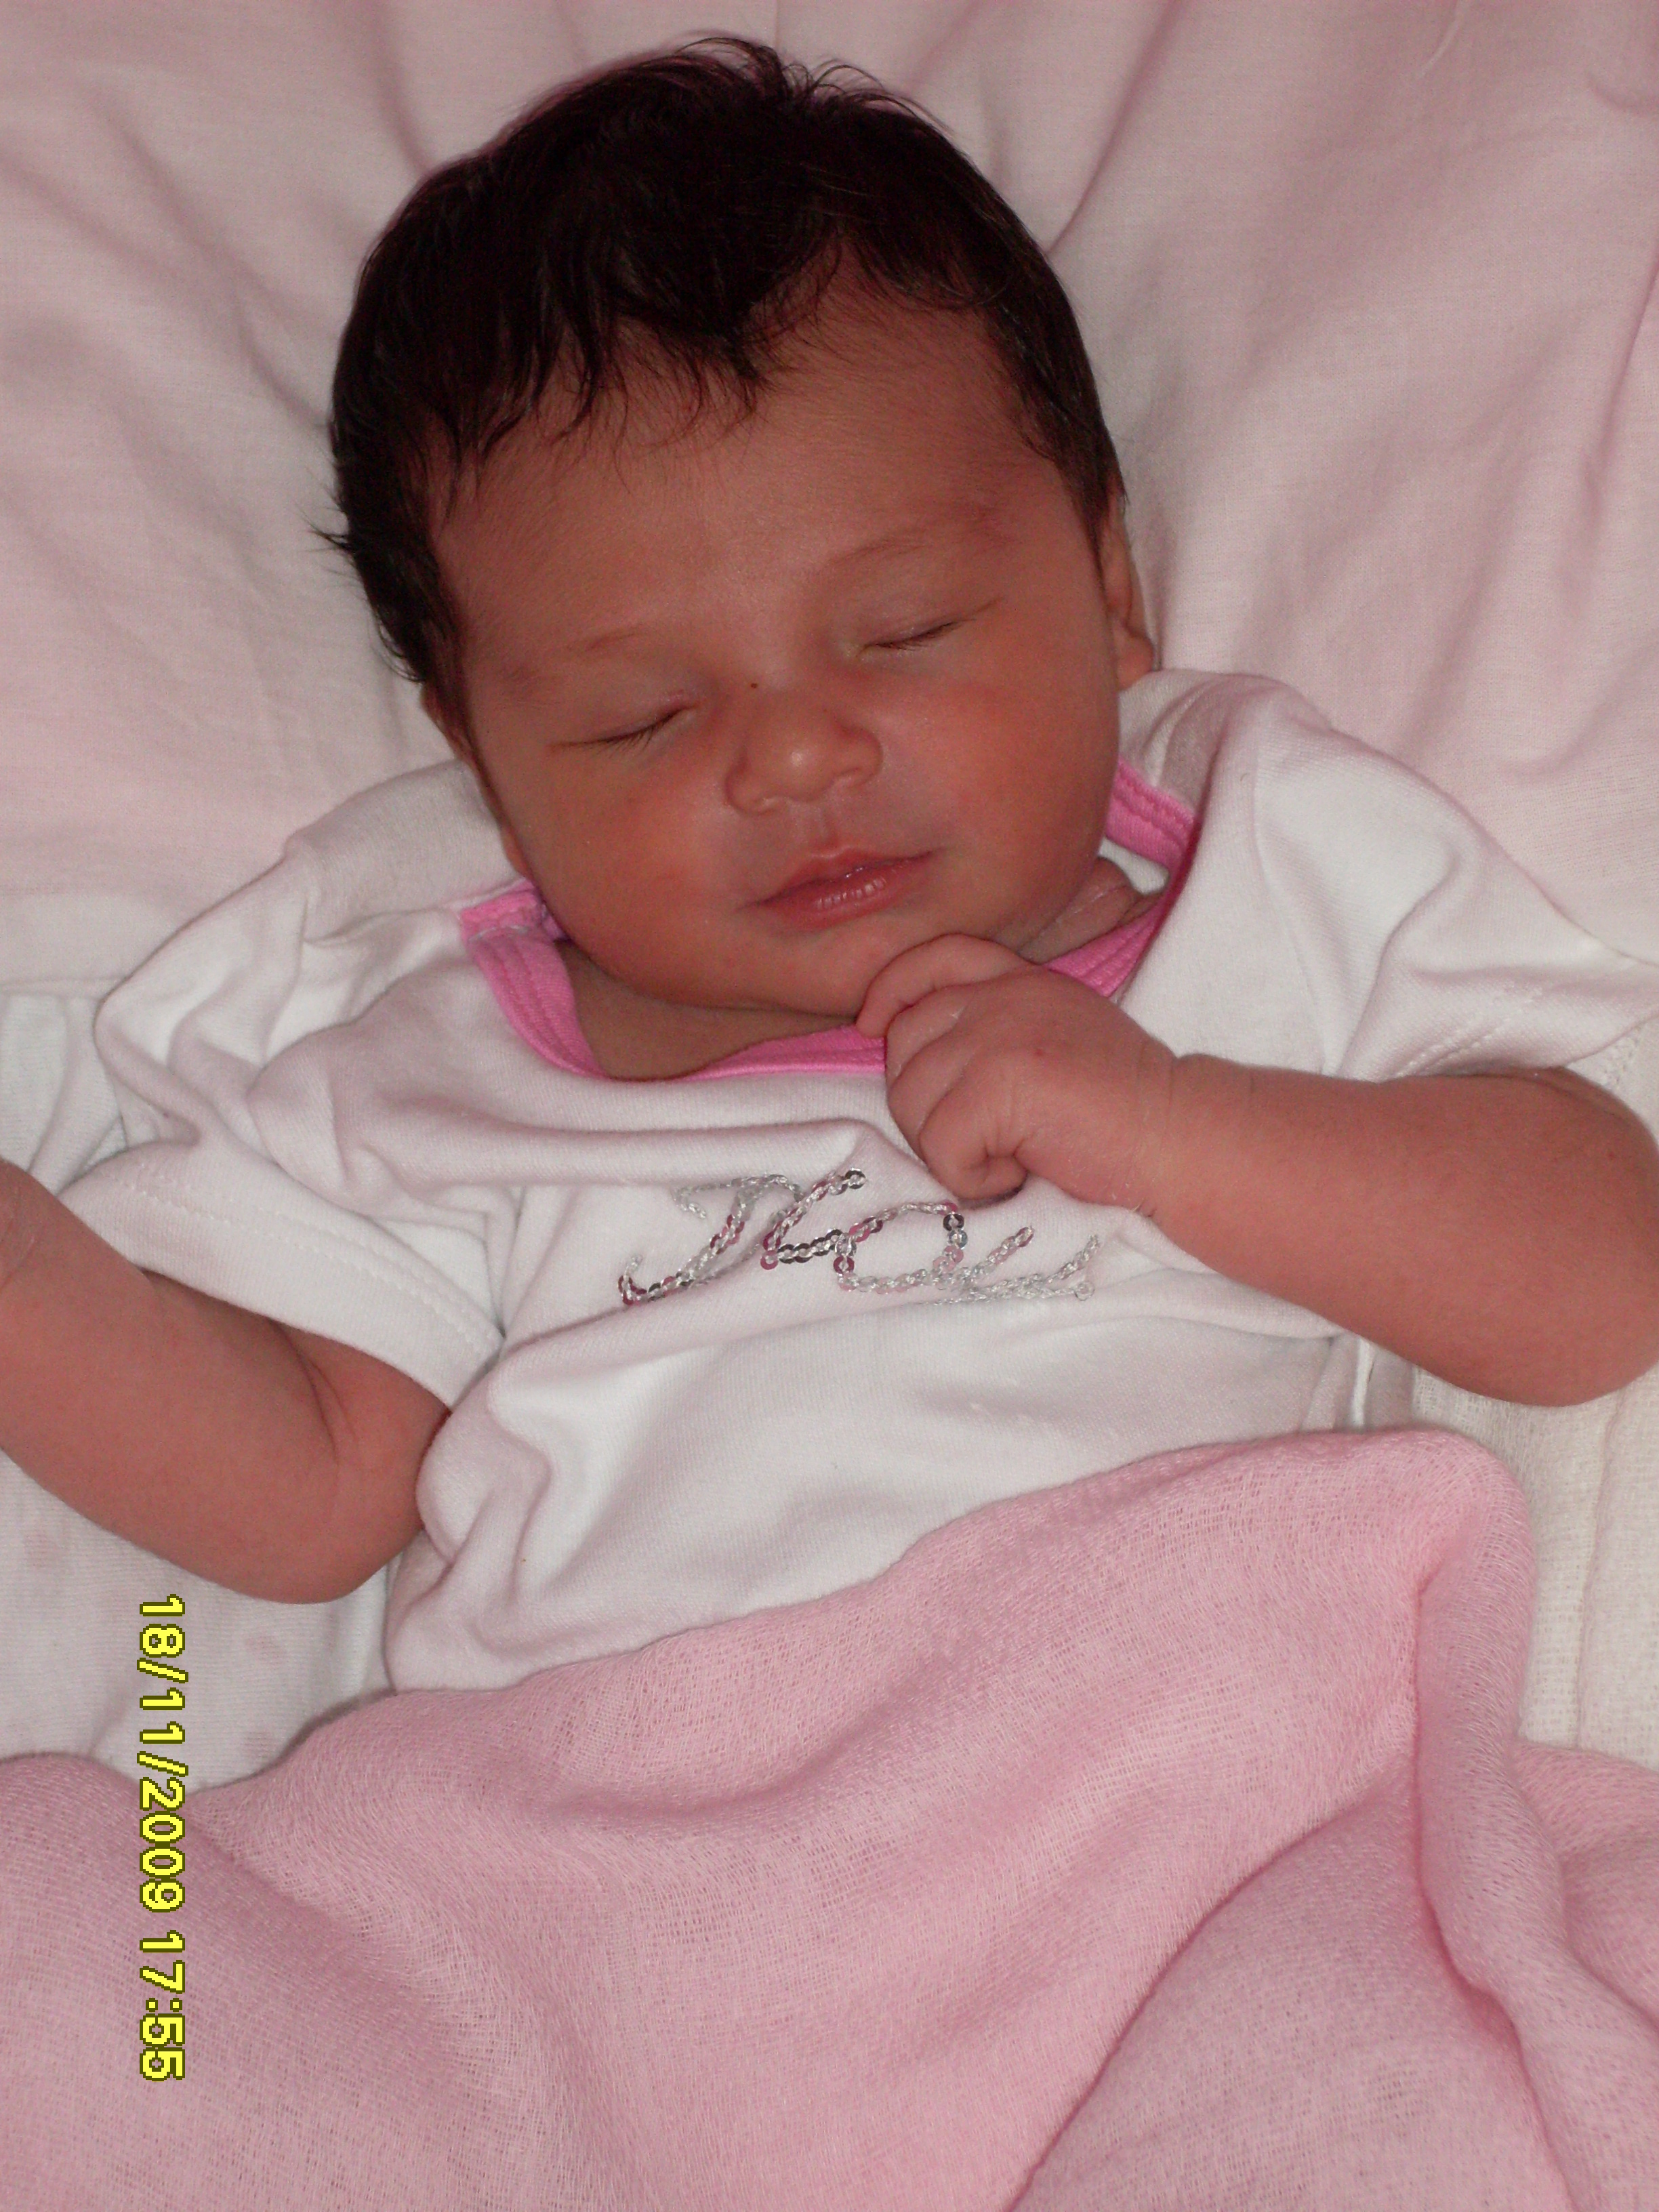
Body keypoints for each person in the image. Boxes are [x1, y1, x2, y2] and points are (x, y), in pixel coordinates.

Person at [3, 39, 1658, 1687]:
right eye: (644, 718)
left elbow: (1601, 1270)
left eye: (904, 631)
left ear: (1109, 588)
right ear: (485, 761)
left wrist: (1171, 1127)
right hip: (603, 1797)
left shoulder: (1254, 874)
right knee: (129, 1863)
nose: (794, 759)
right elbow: (309, 1493)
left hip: (1169, 1753)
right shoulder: (430, 1066)